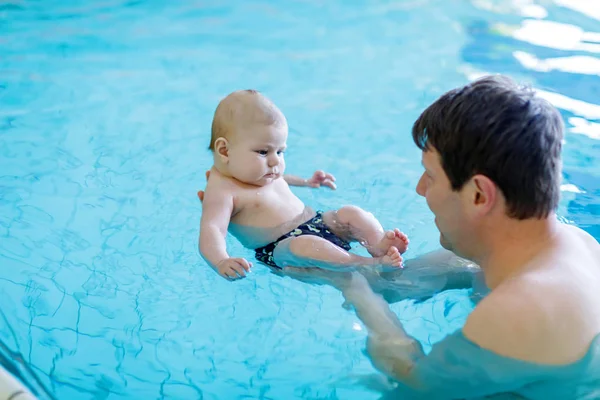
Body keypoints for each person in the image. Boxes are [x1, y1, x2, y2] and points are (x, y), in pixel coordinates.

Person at [334, 75, 600, 399]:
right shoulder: (575, 243)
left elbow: (417, 384)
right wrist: (365, 272)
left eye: (430, 176)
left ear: (478, 195)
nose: (420, 189)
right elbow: (466, 265)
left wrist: (362, 296)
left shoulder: (521, 310)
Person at [199, 89, 409, 281]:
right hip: (280, 247)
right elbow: (212, 229)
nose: (275, 161)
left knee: (351, 213)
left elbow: (282, 180)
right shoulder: (222, 191)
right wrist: (221, 260)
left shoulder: (260, 173)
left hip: (316, 222)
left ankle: (379, 246)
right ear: (225, 151)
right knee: (305, 245)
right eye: (263, 152)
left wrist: (307, 182)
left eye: (280, 151)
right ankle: (367, 264)